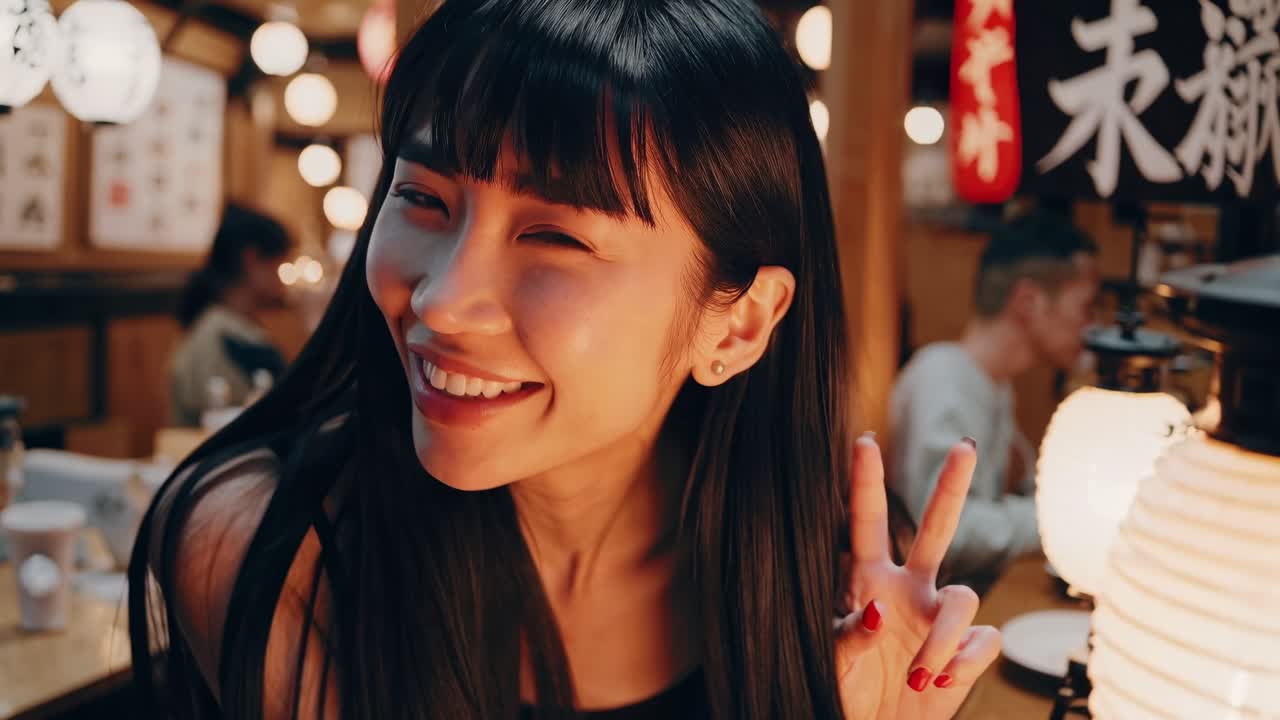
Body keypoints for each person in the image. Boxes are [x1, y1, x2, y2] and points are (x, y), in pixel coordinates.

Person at [128, 2, 1001, 718]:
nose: (438, 301)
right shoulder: (261, 548)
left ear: (735, 326)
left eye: (552, 235)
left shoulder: (824, 577)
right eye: (423, 198)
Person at [889, 209, 1099, 589]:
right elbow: (942, 531)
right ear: (1028, 301)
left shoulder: (994, 385)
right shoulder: (943, 378)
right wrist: (1062, 521)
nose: (1089, 327)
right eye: (1084, 307)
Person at [168, 204, 292, 427]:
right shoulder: (226, 338)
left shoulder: (220, 327)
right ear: (252, 260)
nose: (283, 279)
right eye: (280, 265)